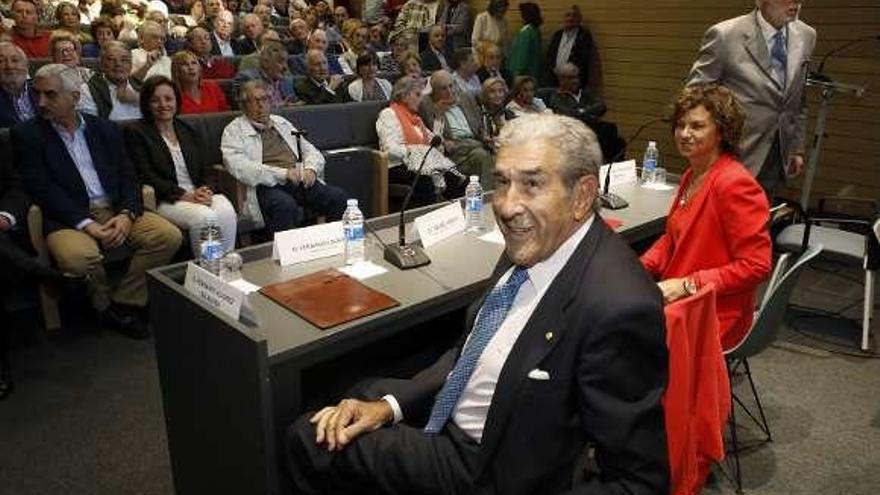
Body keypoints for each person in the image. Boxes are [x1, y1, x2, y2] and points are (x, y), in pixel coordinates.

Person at [286, 112, 670, 495]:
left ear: (582, 195)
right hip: (461, 415)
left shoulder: (618, 305)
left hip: (483, 470)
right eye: (502, 182)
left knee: (307, 437)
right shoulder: (536, 238)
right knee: (338, 393)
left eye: (532, 184)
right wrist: (388, 407)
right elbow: (473, 350)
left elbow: (640, 484)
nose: (506, 206)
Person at [13, 64, 182, 339]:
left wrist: (127, 213)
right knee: (79, 258)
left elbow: (129, 176)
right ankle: (103, 307)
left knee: (167, 236)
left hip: (115, 208)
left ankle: (124, 302)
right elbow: (42, 189)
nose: (41, 102)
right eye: (37, 95)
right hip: (69, 217)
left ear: (75, 98)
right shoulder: (28, 135)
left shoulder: (105, 129)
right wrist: (86, 223)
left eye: (50, 95)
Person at [641, 83, 772, 350]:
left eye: (697, 126)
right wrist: (636, 267)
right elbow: (672, 238)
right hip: (683, 299)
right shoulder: (693, 174)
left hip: (715, 311)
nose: (684, 134)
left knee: (614, 333)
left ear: (722, 132)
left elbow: (756, 265)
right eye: (680, 125)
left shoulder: (734, 183)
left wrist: (688, 285)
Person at [687, 0, 816, 197]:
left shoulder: (807, 35)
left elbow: (799, 98)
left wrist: (796, 148)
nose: (796, 2)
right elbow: (694, 96)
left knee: (762, 220)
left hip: (778, 154)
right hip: (732, 153)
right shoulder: (725, 35)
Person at [124, 75, 237, 257]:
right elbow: (146, 175)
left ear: (176, 101)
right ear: (146, 104)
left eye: (168, 99)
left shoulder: (186, 129)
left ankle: (226, 261)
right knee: (205, 217)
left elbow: (206, 167)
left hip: (196, 193)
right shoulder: (136, 132)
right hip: (166, 199)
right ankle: (210, 270)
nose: (163, 105)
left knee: (225, 209)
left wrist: (205, 190)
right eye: (155, 100)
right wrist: (185, 195)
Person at [220, 79, 347, 233]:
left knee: (337, 197)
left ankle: (334, 243)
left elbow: (310, 150)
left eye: (265, 99)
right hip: (266, 185)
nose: (261, 105)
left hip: (298, 178)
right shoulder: (233, 130)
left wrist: (311, 169)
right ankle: (289, 255)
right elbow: (238, 166)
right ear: (244, 105)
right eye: (255, 101)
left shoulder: (281, 122)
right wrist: (283, 173)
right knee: (285, 205)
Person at [376, 75, 465, 206]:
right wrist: (416, 152)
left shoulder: (416, 120)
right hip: (398, 166)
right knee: (426, 180)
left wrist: (439, 117)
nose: (421, 99)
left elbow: (436, 143)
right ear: (404, 96)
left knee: (457, 180)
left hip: (422, 165)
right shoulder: (388, 114)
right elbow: (390, 148)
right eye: (417, 94)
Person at [420, 70, 494, 187]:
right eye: (443, 89)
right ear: (434, 92)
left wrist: (485, 137)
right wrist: (444, 141)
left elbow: (479, 127)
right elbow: (431, 134)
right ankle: (485, 199)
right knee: (482, 156)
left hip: (475, 144)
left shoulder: (465, 98)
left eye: (451, 86)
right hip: (455, 152)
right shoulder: (428, 105)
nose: (449, 92)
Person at [79, 41, 142, 120]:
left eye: (124, 60)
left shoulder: (141, 87)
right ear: (102, 63)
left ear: (131, 64)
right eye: (111, 59)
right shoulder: (88, 90)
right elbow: (93, 125)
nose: (118, 64)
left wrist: (139, 100)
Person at [545, 5, 599, 91]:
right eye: (568, 15)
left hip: (573, 81)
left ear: (580, 19)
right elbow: (550, 55)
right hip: (555, 80)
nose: (570, 18)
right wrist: (553, 70)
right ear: (563, 18)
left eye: (574, 15)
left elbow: (583, 59)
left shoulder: (584, 36)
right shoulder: (557, 35)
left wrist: (567, 73)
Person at [235, 41, 298, 109]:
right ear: (265, 62)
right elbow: (247, 108)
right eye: (280, 62)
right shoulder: (247, 78)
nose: (285, 67)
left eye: (286, 62)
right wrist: (277, 107)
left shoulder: (287, 80)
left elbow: (293, 103)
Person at [0, 42, 38, 128]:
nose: (9, 66)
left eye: (15, 60)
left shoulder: (41, 89)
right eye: (1, 61)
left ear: (27, 65)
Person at [507, 2, 542, 80]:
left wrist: (517, 73)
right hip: (533, 73)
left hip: (522, 74)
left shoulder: (526, 32)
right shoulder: (536, 30)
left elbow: (522, 56)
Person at [479, 76, 513, 145]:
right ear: (485, 94)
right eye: (492, 91)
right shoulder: (481, 114)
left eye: (500, 91)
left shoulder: (509, 113)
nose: (497, 95)